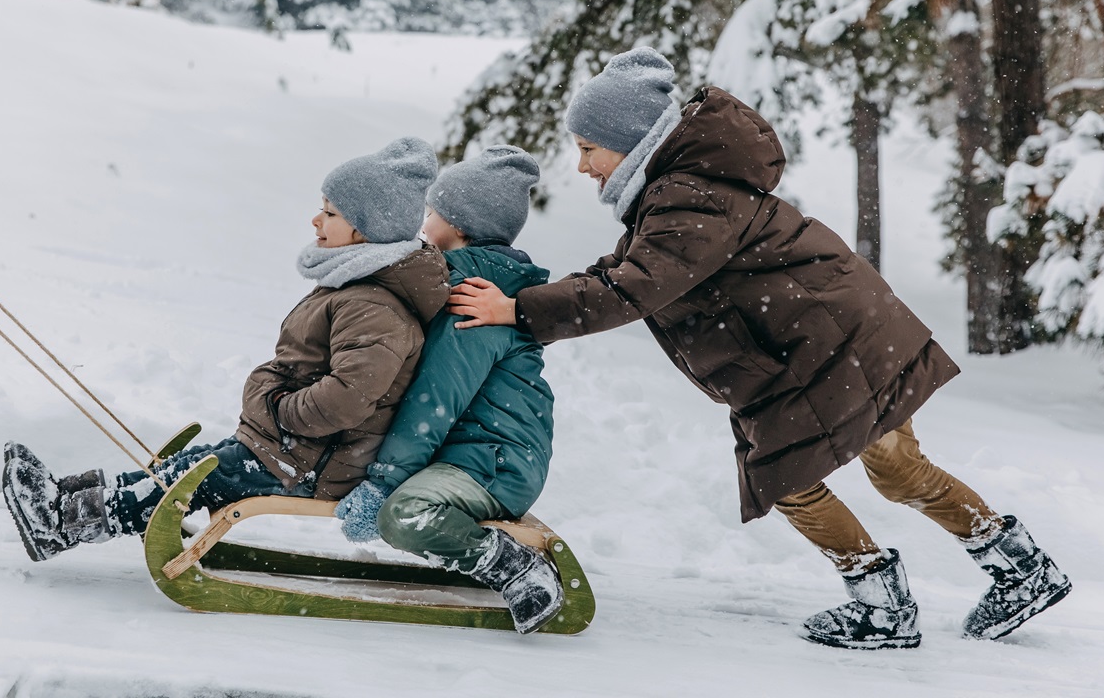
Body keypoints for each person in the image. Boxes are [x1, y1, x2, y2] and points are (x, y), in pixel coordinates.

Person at [448, 48, 1071, 650]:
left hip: (818, 352)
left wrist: (518, 311)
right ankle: (1018, 567)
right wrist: (539, 296)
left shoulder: (688, 195)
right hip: (845, 339)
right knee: (895, 468)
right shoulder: (682, 188)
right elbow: (625, 269)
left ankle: (884, 603)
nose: (584, 167)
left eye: (588, 149)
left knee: (786, 475)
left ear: (631, 141)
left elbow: (631, 287)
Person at [2, 137, 448, 561]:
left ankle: (63, 524)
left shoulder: (375, 306)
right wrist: (272, 401)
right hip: (289, 449)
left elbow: (348, 397)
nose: (315, 221)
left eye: (328, 213)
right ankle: (68, 499)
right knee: (188, 467)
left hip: (308, 463)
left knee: (193, 480)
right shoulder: (356, 291)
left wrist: (278, 408)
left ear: (362, 231)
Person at [333, 146, 562, 633]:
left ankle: (515, 568)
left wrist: (385, 481)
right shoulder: (471, 285)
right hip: (474, 453)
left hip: (495, 461)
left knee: (404, 515)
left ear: (459, 227)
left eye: (433, 212)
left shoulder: (472, 299)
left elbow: (436, 400)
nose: (423, 222)